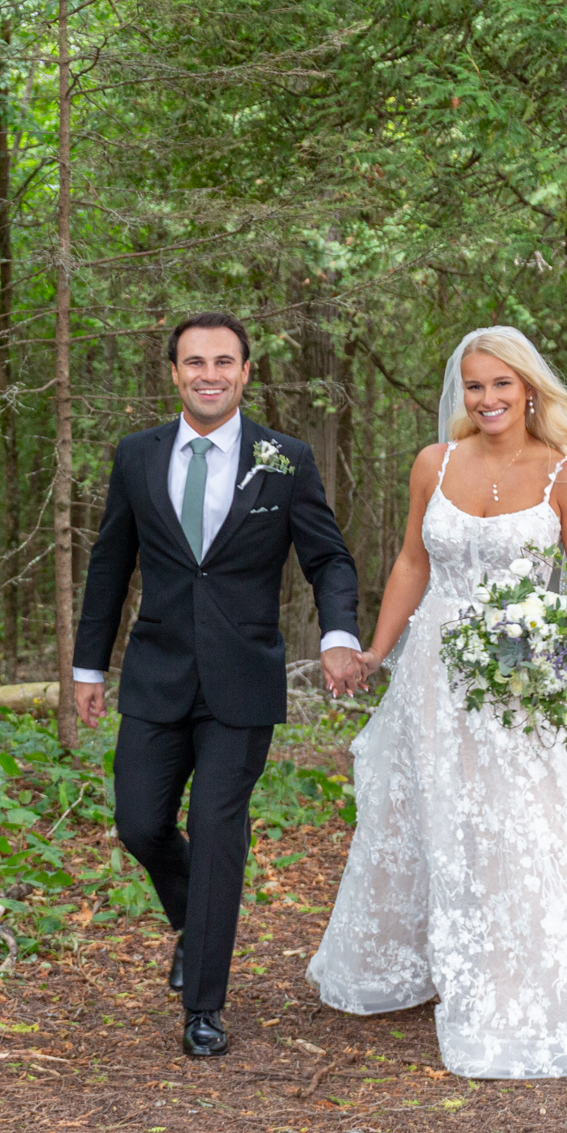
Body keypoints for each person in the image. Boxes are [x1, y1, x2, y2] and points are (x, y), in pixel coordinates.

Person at [305, 326, 567, 1079]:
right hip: (436, 670)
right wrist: (375, 650)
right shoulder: (433, 465)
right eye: (474, 386)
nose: (488, 398)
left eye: (501, 384)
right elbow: (411, 561)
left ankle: (511, 972)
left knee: (520, 817)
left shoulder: (566, 476)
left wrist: (553, 657)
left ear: (529, 388)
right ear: (459, 394)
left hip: (521, 674)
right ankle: (440, 951)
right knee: (443, 809)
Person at [72, 313, 364, 1059]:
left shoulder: (284, 458)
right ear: (174, 371)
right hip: (157, 674)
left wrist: (337, 634)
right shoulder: (137, 456)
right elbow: (111, 563)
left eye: (224, 361)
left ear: (244, 371)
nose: (210, 373)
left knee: (219, 834)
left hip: (243, 680)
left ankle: (203, 1003)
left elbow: (328, 559)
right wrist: (87, 664)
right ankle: (189, 921)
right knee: (139, 823)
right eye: (195, 361)